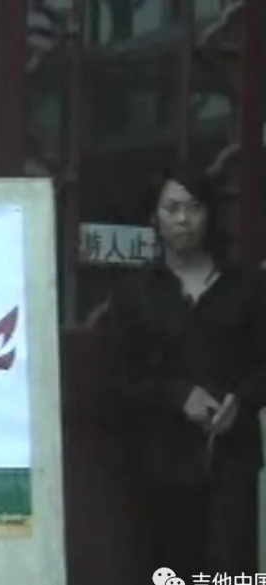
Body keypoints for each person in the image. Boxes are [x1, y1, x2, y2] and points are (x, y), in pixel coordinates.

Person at [106, 165, 266, 576]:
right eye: (172, 208)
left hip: (232, 457)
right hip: (163, 459)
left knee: (232, 570)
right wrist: (178, 397)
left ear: (209, 214)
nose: (183, 219)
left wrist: (242, 402)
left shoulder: (246, 286)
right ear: (155, 218)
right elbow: (121, 375)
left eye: (194, 208)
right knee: (172, 569)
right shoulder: (135, 294)